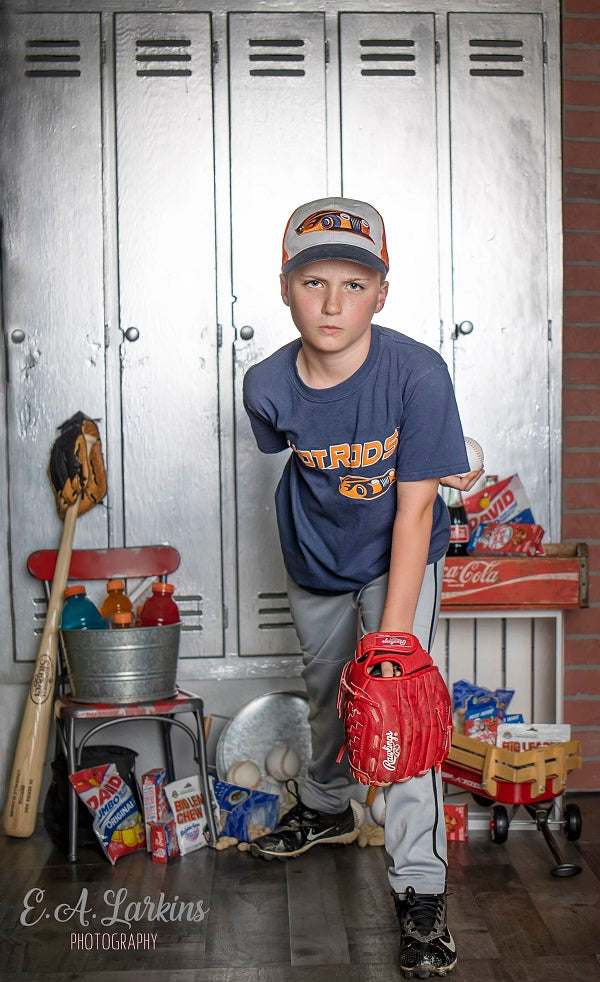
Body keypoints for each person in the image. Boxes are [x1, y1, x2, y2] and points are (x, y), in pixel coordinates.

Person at [242, 196, 483, 979]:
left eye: (355, 283)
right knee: (325, 698)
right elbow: (290, 466)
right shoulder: (265, 386)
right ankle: (322, 810)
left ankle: (419, 892)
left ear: (383, 291)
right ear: (284, 287)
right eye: (314, 282)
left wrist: (394, 645)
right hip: (314, 558)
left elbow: (416, 510)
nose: (333, 302)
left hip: (397, 559)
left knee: (397, 711)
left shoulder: (417, 374)